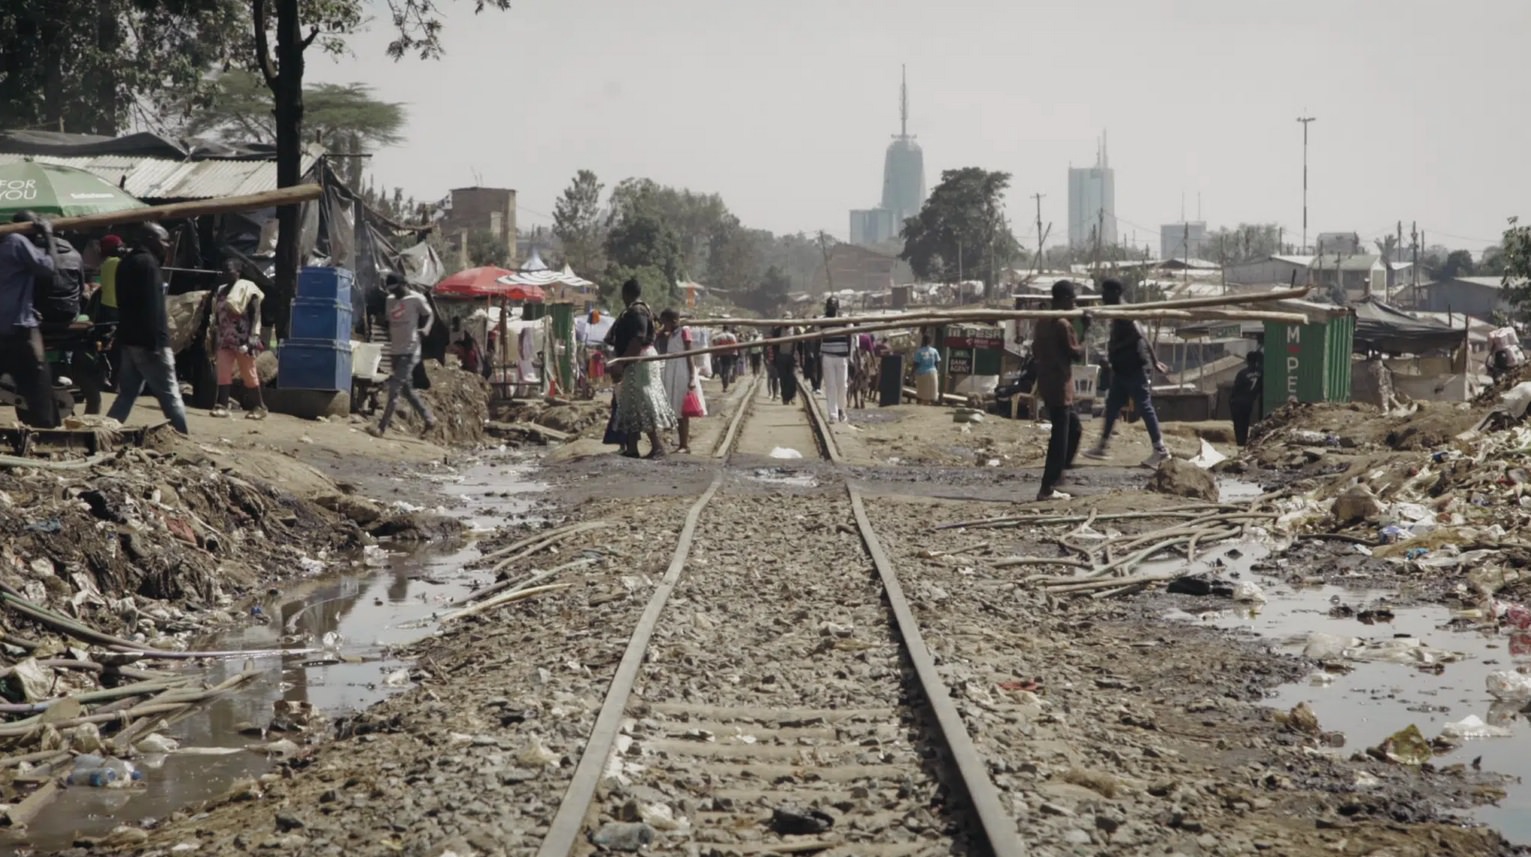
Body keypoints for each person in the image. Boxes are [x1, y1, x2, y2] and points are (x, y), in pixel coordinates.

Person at [106, 223, 188, 434]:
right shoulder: (148, 264)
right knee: (170, 394)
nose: (167, 245)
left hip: (129, 340)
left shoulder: (126, 263)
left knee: (127, 393)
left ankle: (106, 431)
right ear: (150, 240)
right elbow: (152, 307)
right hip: (150, 343)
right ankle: (184, 438)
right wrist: (156, 344)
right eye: (164, 240)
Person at [1084, 278, 1170, 466]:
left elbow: (1140, 334)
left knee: (1144, 406)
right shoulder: (1116, 312)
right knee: (1113, 405)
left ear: (1115, 293)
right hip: (1122, 370)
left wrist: (1153, 361)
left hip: (1132, 369)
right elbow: (1143, 336)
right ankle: (1102, 446)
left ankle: (1160, 449)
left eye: (1105, 292)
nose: (1102, 296)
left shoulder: (1124, 311)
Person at [0, 212, 59, 427]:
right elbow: (50, 268)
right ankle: (46, 432)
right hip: (18, 329)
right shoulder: (17, 241)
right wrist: (49, 235)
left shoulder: (7, 244)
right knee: (38, 384)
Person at [609, 278, 674, 458]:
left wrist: (622, 362)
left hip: (638, 359)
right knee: (630, 400)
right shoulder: (636, 310)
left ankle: (658, 446)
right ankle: (631, 447)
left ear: (626, 294)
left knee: (642, 399)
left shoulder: (637, 311)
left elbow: (638, 339)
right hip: (634, 359)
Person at [1033, 281, 1086, 501]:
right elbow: (1076, 354)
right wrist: (1085, 328)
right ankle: (1048, 486)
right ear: (1065, 300)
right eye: (1072, 301)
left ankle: (1059, 476)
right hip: (1060, 386)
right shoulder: (1063, 325)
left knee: (1074, 429)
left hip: (1047, 382)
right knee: (1060, 437)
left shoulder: (1042, 322)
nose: (1074, 305)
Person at [369, 273, 437, 436]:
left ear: (404, 284)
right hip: (395, 349)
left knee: (395, 388)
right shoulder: (390, 300)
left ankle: (381, 428)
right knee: (407, 390)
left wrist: (426, 328)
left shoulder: (416, 299)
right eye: (392, 290)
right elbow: (388, 321)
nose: (396, 293)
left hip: (410, 349)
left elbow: (430, 314)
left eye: (397, 289)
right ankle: (430, 419)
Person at [209, 258, 267, 419]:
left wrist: (254, 336)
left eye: (229, 270)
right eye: (224, 270)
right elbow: (216, 313)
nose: (225, 273)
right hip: (224, 337)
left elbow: (255, 312)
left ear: (238, 272)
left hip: (243, 338)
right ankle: (222, 405)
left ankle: (259, 407)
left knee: (248, 373)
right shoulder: (220, 290)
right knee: (223, 371)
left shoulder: (247, 288)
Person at [656, 308, 703, 454]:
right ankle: (682, 444)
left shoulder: (684, 331)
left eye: (666, 323)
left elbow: (690, 355)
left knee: (683, 410)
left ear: (674, 321)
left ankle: (684, 445)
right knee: (676, 409)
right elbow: (658, 338)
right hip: (672, 369)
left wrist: (691, 377)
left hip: (682, 370)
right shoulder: (671, 333)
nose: (664, 326)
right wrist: (663, 330)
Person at [819, 296, 852, 422]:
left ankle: (841, 410)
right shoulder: (823, 321)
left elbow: (850, 335)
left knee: (843, 385)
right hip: (827, 355)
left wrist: (850, 354)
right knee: (830, 386)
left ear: (837, 307)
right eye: (830, 305)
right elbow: (815, 332)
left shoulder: (844, 319)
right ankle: (833, 414)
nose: (832, 308)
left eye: (834, 305)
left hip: (842, 356)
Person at [1230, 350, 1263, 446]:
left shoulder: (1242, 373)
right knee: (1245, 423)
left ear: (1248, 361)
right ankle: (1244, 442)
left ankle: (1240, 443)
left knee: (1238, 425)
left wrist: (1231, 401)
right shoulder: (1261, 373)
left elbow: (1235, 388)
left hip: (1238, 402)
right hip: (1249, 402)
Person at [95, 234, 124, 323]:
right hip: (118, 305)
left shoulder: (105, 263)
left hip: (106, 304)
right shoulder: (118, 262)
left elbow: (101, 281)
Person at [771, 318, 799, 405]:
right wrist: (775, 358)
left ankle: (793, 396)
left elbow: (800, 344)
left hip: (792, 357)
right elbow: (774, 346)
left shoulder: (796, 330)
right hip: (781, 357)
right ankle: (785, 398)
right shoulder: (777, 331)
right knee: (783, 378)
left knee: (793, 377)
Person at [912, 334, 940, 404]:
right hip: (932, 373)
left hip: (921, 373)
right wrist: (936, 371)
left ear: (923, 341)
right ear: (930, 341)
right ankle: (931, 408)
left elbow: (916, 364)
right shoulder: (934, 351)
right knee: (932, 392)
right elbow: (937, 362)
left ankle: (919, 405)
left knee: (921, 392)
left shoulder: (919, 351)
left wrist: (912, 373)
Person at [713, 325, 739, 392]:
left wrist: (716, 354)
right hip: (730, 355)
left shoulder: (719, 336)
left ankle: (724, 385)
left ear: (723, 329)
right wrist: (735, 354)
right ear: (728, 329)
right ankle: (725, 386)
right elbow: (735, 345)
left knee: (722, 370)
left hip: (722, 355)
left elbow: (715, 344)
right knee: (727, 370)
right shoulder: (732, 336)